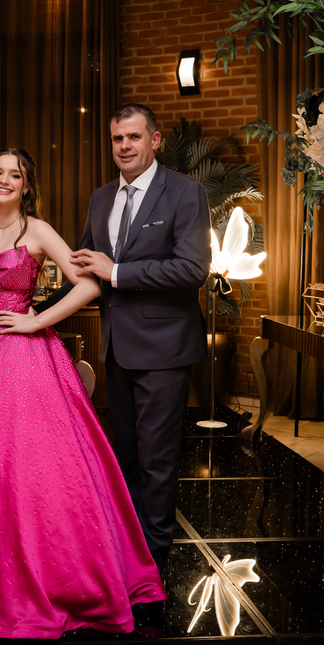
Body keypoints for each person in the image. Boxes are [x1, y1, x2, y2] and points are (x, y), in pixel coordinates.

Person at [0, 148, 165, 639]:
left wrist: (36, 321)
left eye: (13, 174)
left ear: (25, 184)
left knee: (30, 468)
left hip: (24, 356)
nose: (3, 180)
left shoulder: (37, 231)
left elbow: (89, 286)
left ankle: (43, 579)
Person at [49, 103, 211, 582]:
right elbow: (84, 270)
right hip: (117, 348)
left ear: (154, 140)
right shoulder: (101, 197)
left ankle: (154, 563)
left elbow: (192, 269)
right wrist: (30, 311)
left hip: (165, 349)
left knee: (158, 459)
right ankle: (130, 549)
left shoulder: (185, 192)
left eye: (134, 137)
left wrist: (117, 271)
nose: (124, 146)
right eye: (118, 138)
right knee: (128, 457)